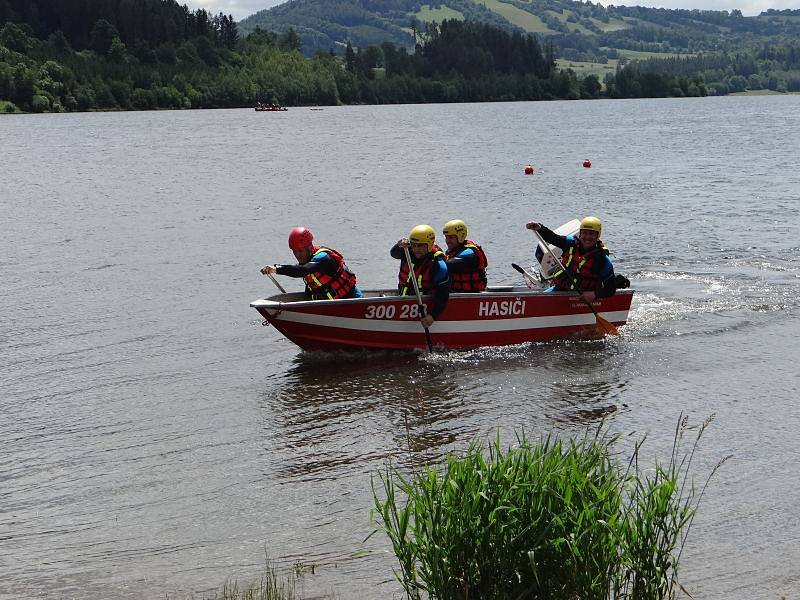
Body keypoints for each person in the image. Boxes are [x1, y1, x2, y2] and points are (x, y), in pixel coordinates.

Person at [525, 216, 616, 302]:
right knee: (538, 301)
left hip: (584, 296)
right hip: (561, 289)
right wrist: (540, 228)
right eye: (584, 233)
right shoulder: (570, 243)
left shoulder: (603, 260)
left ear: (598, 236)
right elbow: (553, 238)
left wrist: (594, 295)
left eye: (591, 234)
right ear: (580, 234)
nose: (587, 237)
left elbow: (611, 289)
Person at [260, 227, 362, 299]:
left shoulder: (323, 258)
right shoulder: (307, 264)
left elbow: (303, 270)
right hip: (331, 307)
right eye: (294, 251)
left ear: (309, 247)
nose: (297, 255)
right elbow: (301, 271)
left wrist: (276, 269)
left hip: (352, 302)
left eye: (300, 251)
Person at [390, 224, 450, 327]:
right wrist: (399, 244)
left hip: (423, 304)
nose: (416, 249)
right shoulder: (407, 251)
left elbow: (443, 294)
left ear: (430, 244)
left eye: (421, 246)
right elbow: (394, 253)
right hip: (404, 300)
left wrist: (432, 316)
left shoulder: (439, 265)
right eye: (414, 245)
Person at [442, 219, 488, 292]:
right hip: (456, 292)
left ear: (461, 236)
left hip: (472, 294)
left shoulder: (469, 253)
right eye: (446, 237)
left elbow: (448, 265)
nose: (447, 241)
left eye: (451, 238)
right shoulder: (452, 252)